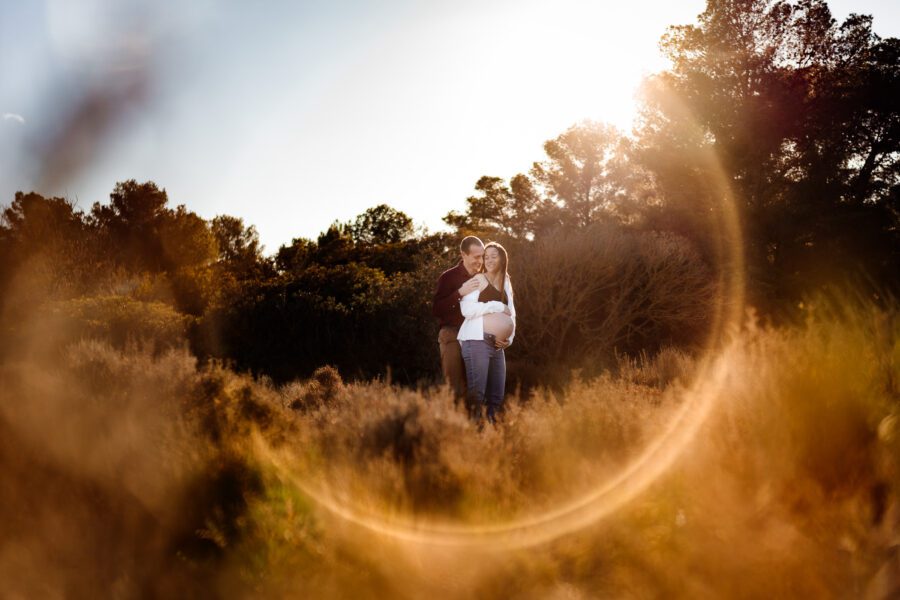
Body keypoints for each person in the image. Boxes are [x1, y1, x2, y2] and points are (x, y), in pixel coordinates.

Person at [457, 242, 515, 424]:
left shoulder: (506, 282)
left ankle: (491, 439)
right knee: (477, 395)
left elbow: (512, 312)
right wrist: (495, 306)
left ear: (502, 258)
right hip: (476, 341)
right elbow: (466, 309)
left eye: (493, 256)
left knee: (496, 396)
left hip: (498, 346)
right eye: (486, 256)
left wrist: (509, 339)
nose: (488, 260)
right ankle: (472, 436)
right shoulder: (478, 280)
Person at [432, 236, 484, 399]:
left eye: (482, 256)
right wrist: (460, 293)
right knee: (454, 389)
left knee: (476, 387)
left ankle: (476, 423)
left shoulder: (484, 277)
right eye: (476, 256)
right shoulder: (448, 277)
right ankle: (454, 423)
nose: (480, 260)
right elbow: (436, 309)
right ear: (463, 254)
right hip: (452, 335)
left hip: (476, 336)